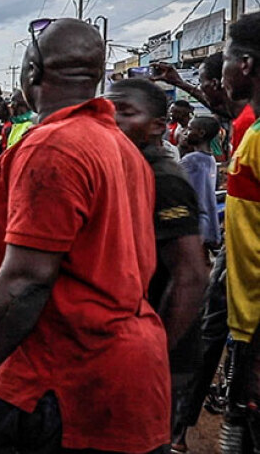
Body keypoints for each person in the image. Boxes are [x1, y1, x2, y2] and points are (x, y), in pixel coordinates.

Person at [0, 19, 170, 453]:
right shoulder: (120, 147)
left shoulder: (53, 147)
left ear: (32, 72)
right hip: (127, 378)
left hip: (59, 384)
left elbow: (27, 281)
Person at [107, 78, 208, 447]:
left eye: (126, 112)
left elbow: (192, 277)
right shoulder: (125, 165)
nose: (113, 120)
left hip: (162, 354)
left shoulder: (162, 178)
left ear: (157, 127)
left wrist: (155, 353)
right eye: (109, 110)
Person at [218, 11, 260, 445]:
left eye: (227, 58)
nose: (222, 68)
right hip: (246, 323)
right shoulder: (252, 135)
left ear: (245, 65)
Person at [180, 115, 222, 250]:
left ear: (201, 133)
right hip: (208, 223)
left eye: (190, 129)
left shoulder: (191, 160)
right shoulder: (210, 160)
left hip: (194, 224)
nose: (185, 133)